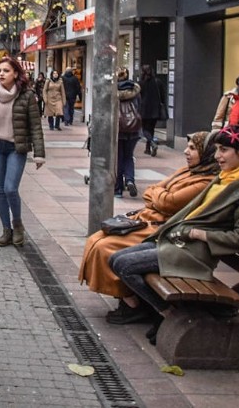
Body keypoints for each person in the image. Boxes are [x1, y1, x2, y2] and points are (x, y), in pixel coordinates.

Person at [109, 120, 239, 342]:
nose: (217, 156)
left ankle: (168, 314)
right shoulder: (223, 177)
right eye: (217, 150)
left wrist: (199, 234)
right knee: (115, 258)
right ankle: (165, 313)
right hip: (179, 241)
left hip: (195, 253)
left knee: (124, 265)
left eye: (224, 150)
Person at [79, 131, 220, 323]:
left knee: (106, 248)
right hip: (149, 220)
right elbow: (152, 191)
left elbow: (169, 202)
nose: (186, 152)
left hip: (160, 229)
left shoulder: (203, 182)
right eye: (187, 147)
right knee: (96, 239)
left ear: (207, 153)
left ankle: (133, 304)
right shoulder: (188, 171)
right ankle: (128, 297)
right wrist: (158, 196)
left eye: (193, 149)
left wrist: (158, 196)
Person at [0, 56, 46, 247]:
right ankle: (6, 230)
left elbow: (35, 126)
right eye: (0, 71)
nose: (1, 74)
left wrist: (39, 153)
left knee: (10, 188)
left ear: (16, 74)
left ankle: (18, 224)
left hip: (16, 148)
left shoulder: (27, 95)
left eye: (6, 70)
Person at [115, 68, 142, 197]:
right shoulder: (135, 90)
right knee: (128, 156)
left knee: (118, 158)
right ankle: (130, 180)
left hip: (118, 129)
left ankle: (118, 189)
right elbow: (139, 107)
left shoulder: (112, 91)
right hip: (133, 128)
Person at [138, 64, 166, 156]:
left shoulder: (140, 83)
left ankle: (152, 143)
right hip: (155, 109)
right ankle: (148, 148)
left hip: (144, 110)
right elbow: (162, 96)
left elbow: (138, 97)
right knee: (151, 129)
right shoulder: (158, 82)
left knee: (144, 130)